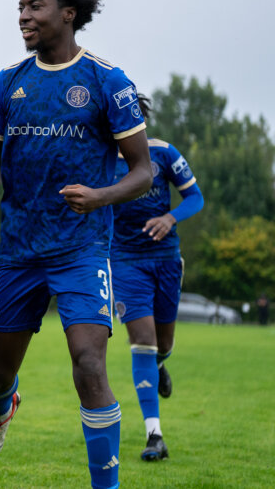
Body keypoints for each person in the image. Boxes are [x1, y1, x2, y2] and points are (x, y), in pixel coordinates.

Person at [0, 0, 152, 489]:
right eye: (20, 6)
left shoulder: (107, 80)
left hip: (83, 249)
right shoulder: (6, 83)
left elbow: (142, 172)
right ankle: (2, 408)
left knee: (89, 362)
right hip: (20, 250)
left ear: (68, 13)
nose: (23, 15)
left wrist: (100, 196)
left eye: (35, 6)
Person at [110, 94, 204, 462]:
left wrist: (171, 218)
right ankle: (155, 435)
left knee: (163, 343)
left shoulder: (163, 153)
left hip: (165, 260)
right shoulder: (99, 159)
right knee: (143, 342)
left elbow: (195, 197)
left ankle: (161, 364)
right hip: (125, 261)